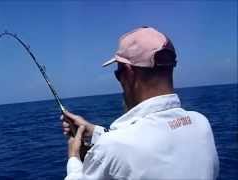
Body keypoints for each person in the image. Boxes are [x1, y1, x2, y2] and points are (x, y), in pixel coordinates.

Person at [61, 26, 219, 180]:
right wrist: (94, 132)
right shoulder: (201, 123)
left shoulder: (113, 148)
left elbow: (127, 145)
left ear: (129, 73)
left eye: (118, 73)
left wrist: (74, 159)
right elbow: (150, 138)